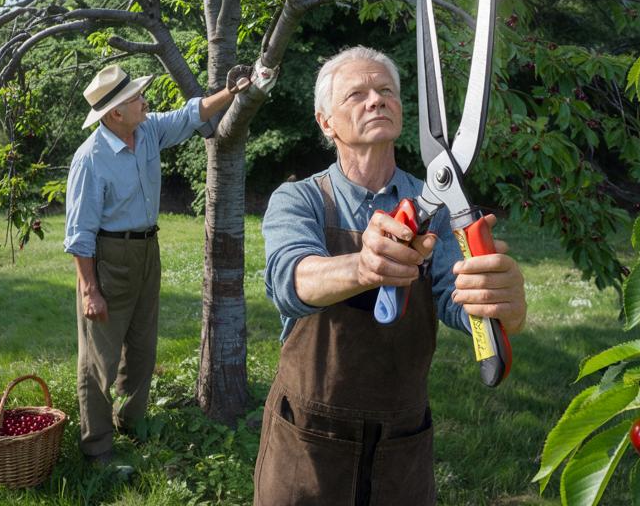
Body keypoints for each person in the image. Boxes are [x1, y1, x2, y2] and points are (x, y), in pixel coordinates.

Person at [253, 46, 527, 505]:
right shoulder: (299, 198)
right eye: (356, 94)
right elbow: (291, 279)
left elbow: (453, 298)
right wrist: (362, 266)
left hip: (401, 445)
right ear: (326, 122)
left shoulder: (433, 207)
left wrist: (498, 304)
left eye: (386, 91)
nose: (376, 100)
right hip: (306, 443)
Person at [64, 62, 274, 465]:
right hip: (107, 259)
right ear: (115, 114)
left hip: (147, 251)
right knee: (99, 360)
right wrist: (90, 289)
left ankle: (130, 422)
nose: (145, 100)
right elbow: (79, 234)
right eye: (136, 98)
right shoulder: (90, 160)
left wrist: (231, 92)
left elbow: (191, 113)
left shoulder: (146, 131)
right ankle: (97, 449)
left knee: (142, 348)